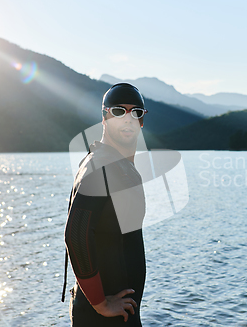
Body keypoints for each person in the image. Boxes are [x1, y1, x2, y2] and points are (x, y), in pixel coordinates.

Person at [64, 83, 149, 326]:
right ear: (104, 117)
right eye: (119, 111)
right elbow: (76, 234)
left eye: (136, 113)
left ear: (142, 121)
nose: (128, 119)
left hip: (121, 310)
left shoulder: (116, 163)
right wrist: (101, 303)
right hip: (103, 315)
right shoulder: (101, 164)